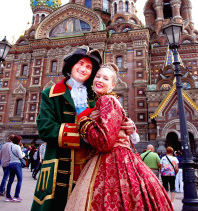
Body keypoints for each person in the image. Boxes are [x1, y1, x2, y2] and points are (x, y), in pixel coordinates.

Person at [31, 46, 136, 211]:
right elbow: (45, 128)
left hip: (90, 167)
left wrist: (128, 126)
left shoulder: (98, 95)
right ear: (71, 65)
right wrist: (88, 135)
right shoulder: (50, 93)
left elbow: (110, 120)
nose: (83, 69)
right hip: (58, 168)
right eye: (80, 63)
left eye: (89, 67)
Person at [65, 63, 173, 210]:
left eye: (105, 78)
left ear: (112, 84)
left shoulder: (106, 100)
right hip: (122, 156)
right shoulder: (105, 100)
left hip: (111, 158)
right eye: (98, 76)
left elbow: (105, 142)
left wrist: (83, 122)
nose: (100, 80)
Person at [5, 135, 25, 202]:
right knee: (20, 180)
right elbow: (21, 156)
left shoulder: (11, 146)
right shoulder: (17, 147)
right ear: (18, 141)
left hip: (11, 163)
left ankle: (8, 196)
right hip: (17, 164)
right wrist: (24, 154)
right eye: (20, 140)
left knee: (10, 180)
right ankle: (16, 196)